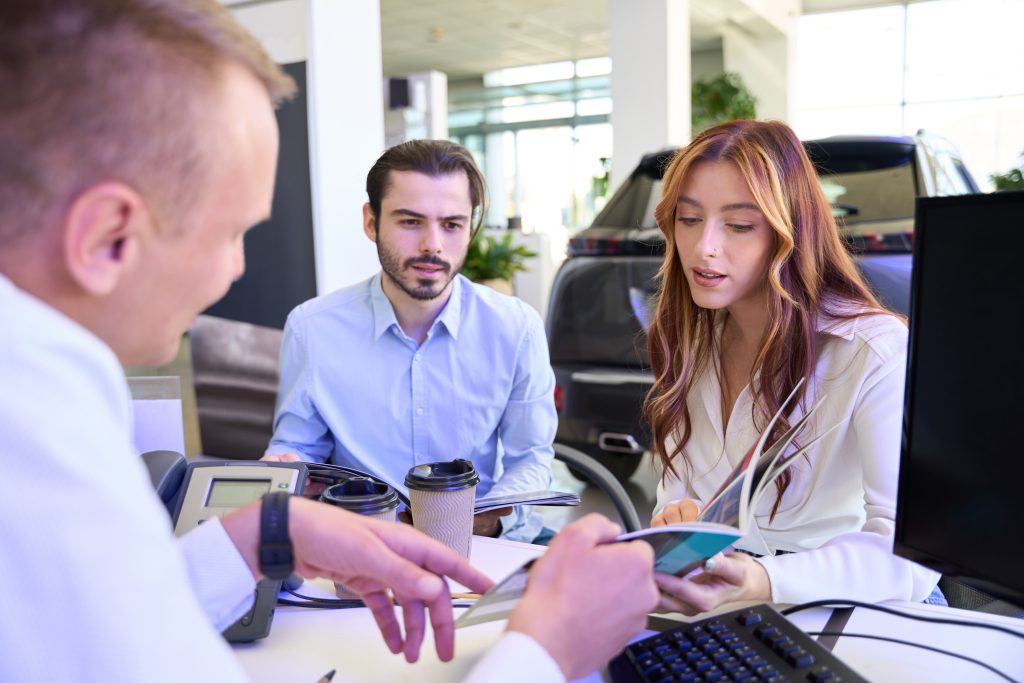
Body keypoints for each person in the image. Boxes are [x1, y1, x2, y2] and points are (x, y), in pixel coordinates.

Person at [0, 2, 658, 682]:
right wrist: (546, 649)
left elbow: (125, 621)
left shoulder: (42, 382)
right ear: (107, 235)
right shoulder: (38, 426)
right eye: (231, 232)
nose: (237, 269)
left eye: (453, 224)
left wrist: (265, 534)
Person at [642, 119, 940, 615]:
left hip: (861, 610)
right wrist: (678, 527)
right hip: (731, 602)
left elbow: (911, 556)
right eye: (688, 218)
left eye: (738, 225)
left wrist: (763, 580)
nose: (703, 247)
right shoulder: (695, 337)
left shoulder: (872, 349)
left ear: (791, 233)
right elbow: (677, 496)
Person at [264, 139, 556, 543]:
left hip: (480, 545)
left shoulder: (516, 328)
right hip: (362, 545)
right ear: (371, 222)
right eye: (410, 222)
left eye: (452, 224)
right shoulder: (312, 328)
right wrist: (286, 468)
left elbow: (532, 460)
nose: (432, 245)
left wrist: (491, 519)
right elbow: (297, 449)